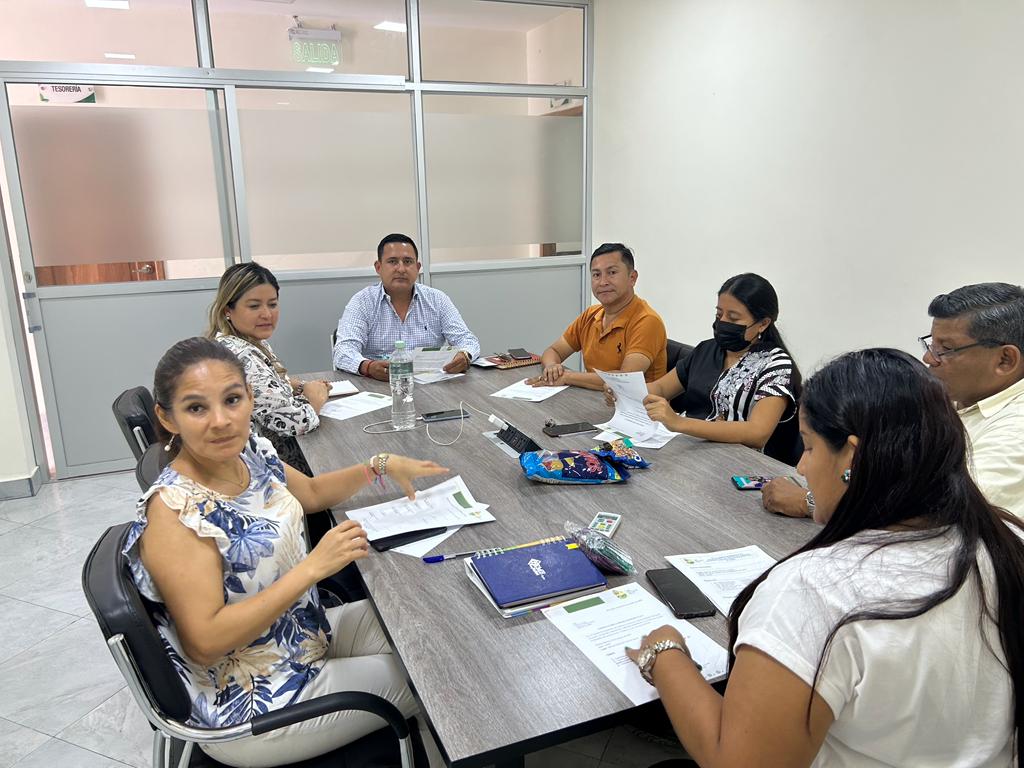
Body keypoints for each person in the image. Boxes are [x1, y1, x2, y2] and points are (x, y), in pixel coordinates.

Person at [627, 348, 1024, 767]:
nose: (801, 466)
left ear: (851, 456)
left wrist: (665, 654)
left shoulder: (816, 590)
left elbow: (737, 761)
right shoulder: (1007, 540)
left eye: (810, 447)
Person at [124, 337, 448, 767]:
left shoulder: (247, 453)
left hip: (298, 637)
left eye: (232, 400)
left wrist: (378, 465)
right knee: (435, 680)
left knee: (429, 626)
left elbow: (310, 493)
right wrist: (312, 568)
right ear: (168, 418)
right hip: (253, 699)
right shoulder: (176, 512)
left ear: (249, 397)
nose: (221, 421)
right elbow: (205, 643)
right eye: (197, 408)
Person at [764, 281, 1024, 518]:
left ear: (1005, 360)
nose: (928, 358)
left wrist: (812, 502)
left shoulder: (1016, 430)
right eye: (931, 345)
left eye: (945, 349)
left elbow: (939, 512)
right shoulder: (953, 399)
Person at [629, 273, 801, 465]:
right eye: (719, 315)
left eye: (733, 318)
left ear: (763, 323)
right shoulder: (707, 349)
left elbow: (757, 433)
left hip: (742, 465)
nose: (722, 322)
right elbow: (661, 388)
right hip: (691, 454)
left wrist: (679, 423)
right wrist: (625, 390)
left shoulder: (776, 365)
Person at [208, 262, 327, 474]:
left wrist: (296, 385)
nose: (266, 314)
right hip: (265, 472)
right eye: (254, 306)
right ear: (228, 310)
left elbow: (268, 388)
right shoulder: (241, 356)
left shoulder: (240, 342)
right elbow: (297, 423)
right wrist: (315, 398)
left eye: (272, 304)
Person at [332, 233, 481, 381]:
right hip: (379, 384)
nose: (401, 269)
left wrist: (465, 355)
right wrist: (368, 367)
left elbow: (467, 340)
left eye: (408, 261)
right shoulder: (362, 302)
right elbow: (343, 351)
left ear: (417, 267)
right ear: (378, 267)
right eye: (392, 262)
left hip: (432, 385)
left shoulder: (437, 300)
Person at [529, 242, 667, 390]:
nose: (603, 282)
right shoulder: (591, 315)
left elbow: (625, 379)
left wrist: (567, 377)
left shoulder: (647, 321)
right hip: (594, 399)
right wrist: (552, 367)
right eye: (596, 275)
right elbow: (554, 351)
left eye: (612, 273)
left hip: (637, 404)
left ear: (632, 278)